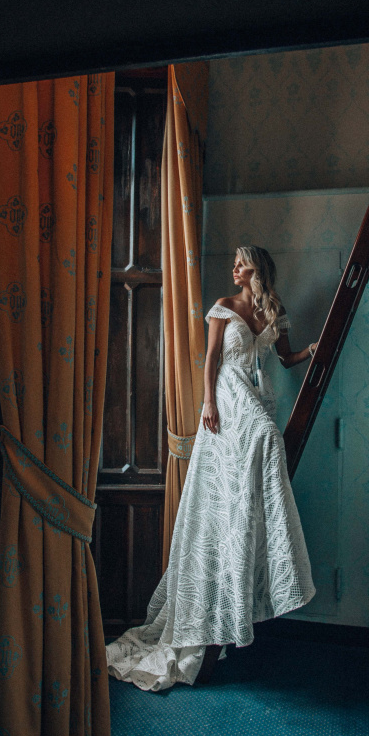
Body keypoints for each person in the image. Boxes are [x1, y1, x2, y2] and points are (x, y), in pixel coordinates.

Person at [105, 245, 317, 691]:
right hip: (227, 393)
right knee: (267, 436)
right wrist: (207, 403)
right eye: (235, 264)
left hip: (256, 394)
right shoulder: (223, 306)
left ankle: (249, 524)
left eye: (242, 264)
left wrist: (309, 352)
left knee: (260, 447)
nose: (235, 269)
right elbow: (212, 359)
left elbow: (284, 358)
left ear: (257, 270)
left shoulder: (273, 310)